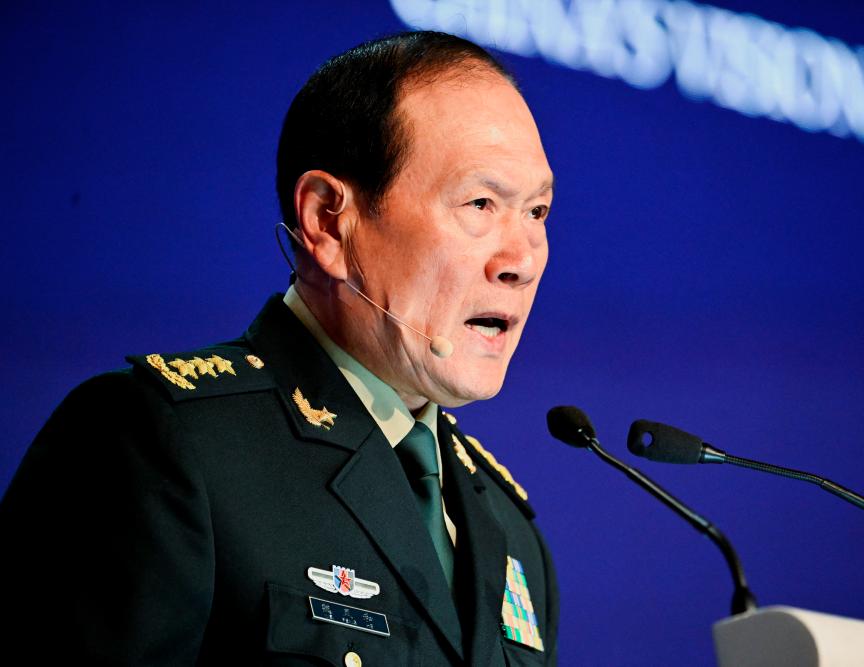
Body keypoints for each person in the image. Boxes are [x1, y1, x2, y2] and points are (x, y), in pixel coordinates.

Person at [0, 31, 558, 666]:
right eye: (480, 203)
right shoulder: (162, 445)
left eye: (537, 212)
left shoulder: (512, 536)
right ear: (326, 221)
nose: (521, 261)